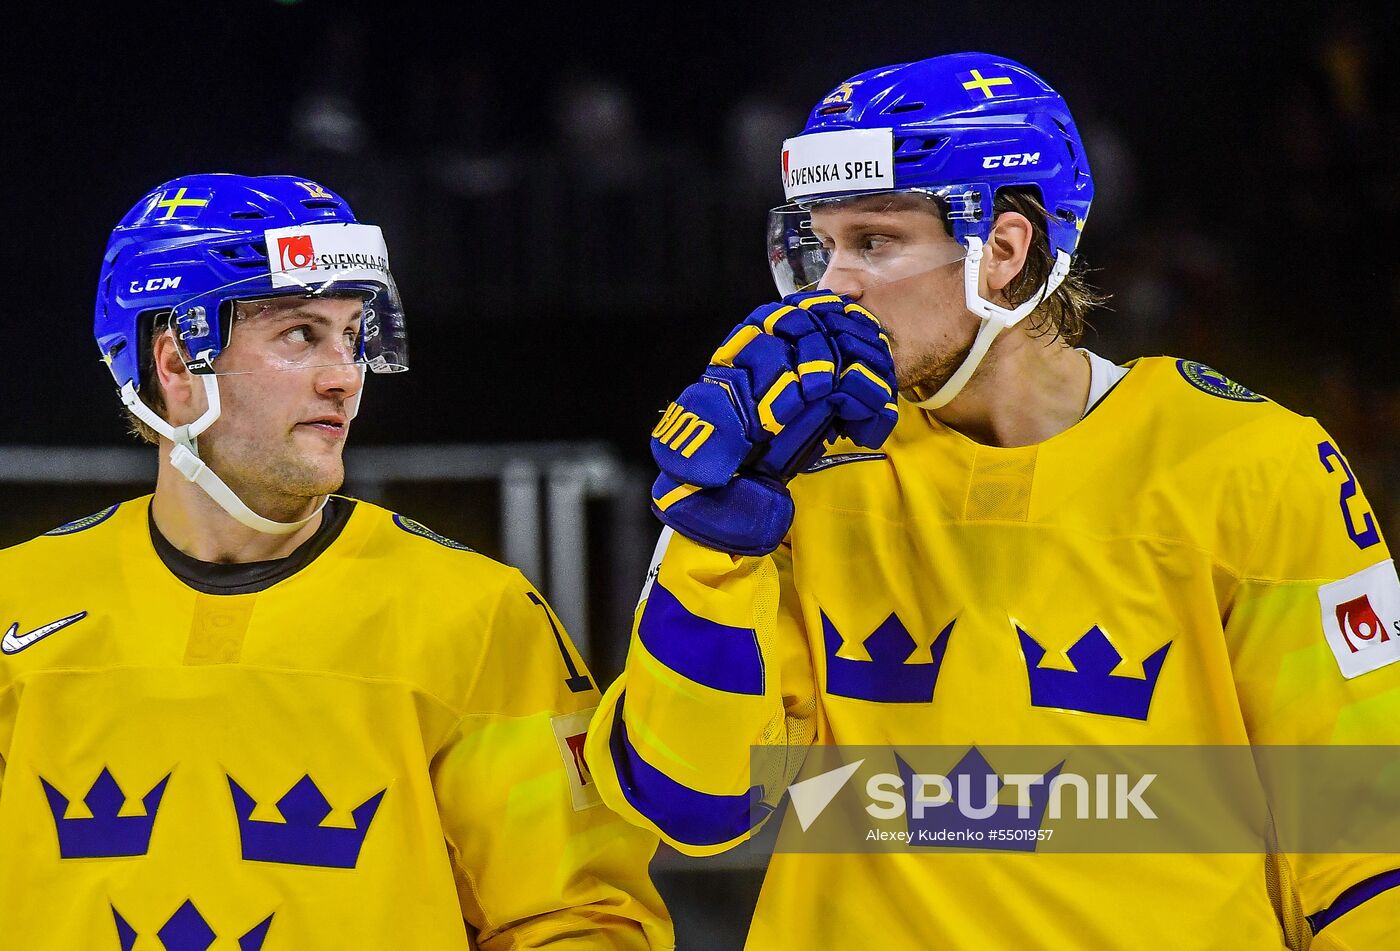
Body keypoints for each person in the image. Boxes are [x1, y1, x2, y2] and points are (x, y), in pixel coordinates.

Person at [586, 53, 1398, 949]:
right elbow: (694, 802)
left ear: (1003, 250)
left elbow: (1370, 846)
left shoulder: (1253, 461)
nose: (832, 285)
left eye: (874, 242)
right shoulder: (801, 469)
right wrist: (712, 538)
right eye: (819, 244)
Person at [0, 174, 672, 950]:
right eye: (299, 334)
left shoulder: (474, 613)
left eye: (352, 333)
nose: (345, 374)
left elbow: (580, 920)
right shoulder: (17, 602)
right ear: (178, 365)